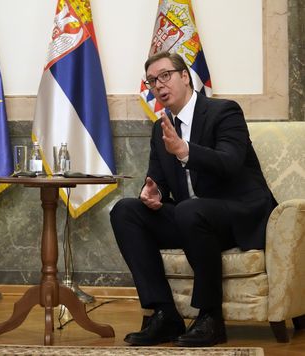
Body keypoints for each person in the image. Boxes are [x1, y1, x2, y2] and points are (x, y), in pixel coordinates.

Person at [110, 52, 276, 347]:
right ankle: (164, 314)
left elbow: (230, 162)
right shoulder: (160, 128)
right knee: (125, 210)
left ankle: (211, 316)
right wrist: (153, 192)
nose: (158, 85)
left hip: (236, 214)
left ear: (185, 76)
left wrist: (185, 150)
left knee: (190, 209)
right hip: (192, 218)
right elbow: (157, 180)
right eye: (152, 81)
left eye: (165, 76)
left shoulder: (224, 112)